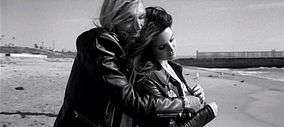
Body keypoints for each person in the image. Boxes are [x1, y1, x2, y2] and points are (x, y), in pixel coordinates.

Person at [54, 0, 204, 127]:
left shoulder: (128, 45)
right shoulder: (99, 44)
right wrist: (183, 103)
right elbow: (129, 100)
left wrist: (190, 92)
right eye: (128, 20)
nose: (138, 25)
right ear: (113, 20)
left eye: (141, 17)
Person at [127, 7, 218, 127]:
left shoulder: (174, 68)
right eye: (162, 47)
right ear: (149, 49)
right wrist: (208, 113)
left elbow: (183, 105)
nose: (171, 49)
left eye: (172, 39)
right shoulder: (147, 78)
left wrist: (196, 96)